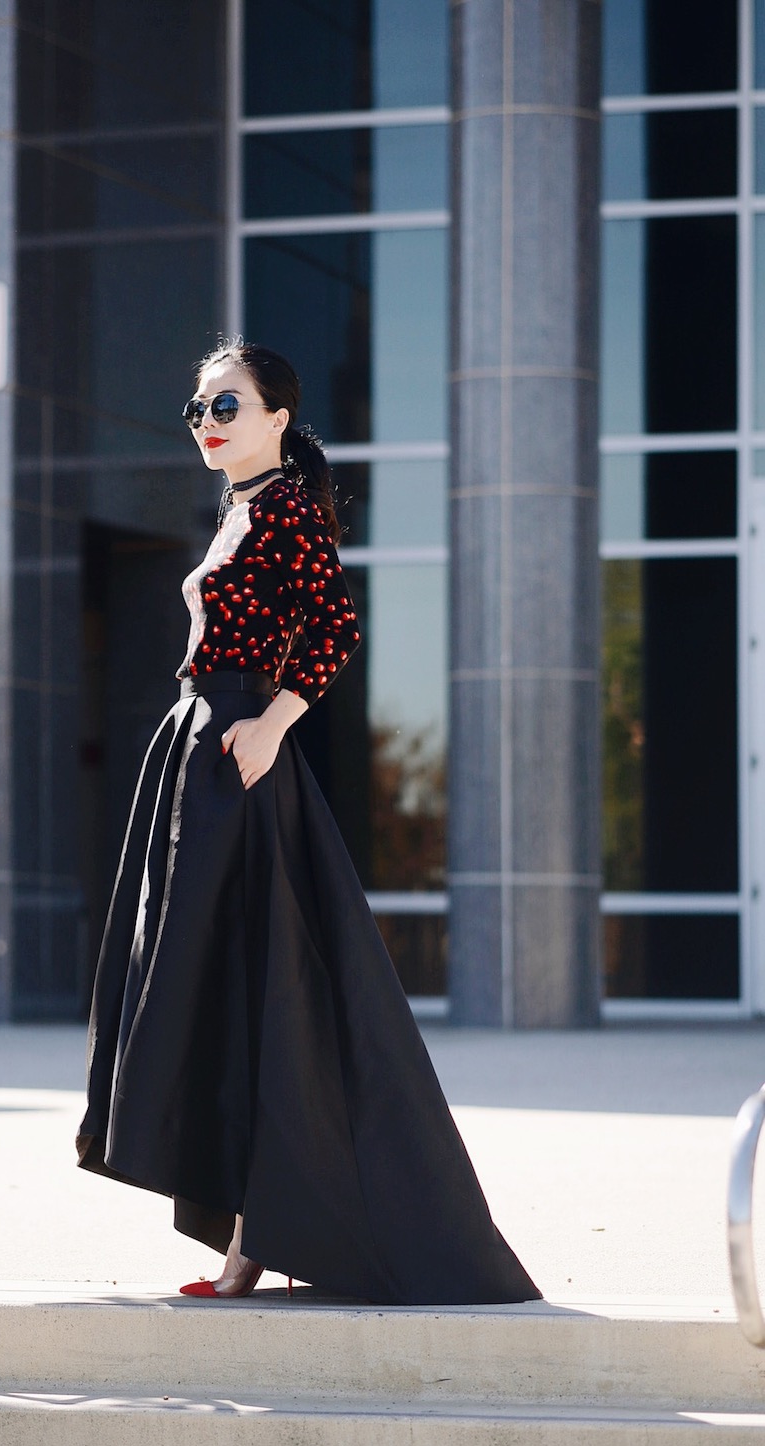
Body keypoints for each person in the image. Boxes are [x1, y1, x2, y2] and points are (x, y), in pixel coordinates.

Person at [76, 340, 541, 1307]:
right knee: (219, 986)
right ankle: (259, 1223)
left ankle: (267, 1232)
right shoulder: (241, 505)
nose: (208, 424)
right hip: (200, 742)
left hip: (239, 750)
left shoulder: (287, 505)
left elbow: (334, 627)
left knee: (257, 987)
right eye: (198, 410)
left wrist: (270, 723)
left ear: (279, 416)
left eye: (228, 407)